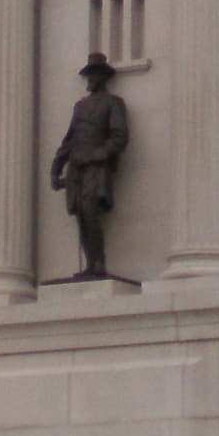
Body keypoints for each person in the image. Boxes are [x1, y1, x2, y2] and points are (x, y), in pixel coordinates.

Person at [50, 53, 130, 278]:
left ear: (102, 77)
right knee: (81, 216)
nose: (89, 80)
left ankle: (99, 262)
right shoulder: (80, 106)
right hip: (76, 168)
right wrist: (56, 168)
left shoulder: (113, 103)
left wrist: (97, 155)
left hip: (96, 168)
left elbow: (119, 137)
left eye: (93, 75)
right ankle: (90, 263)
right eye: (88, 76)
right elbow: (69, 139)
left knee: (90, 211)